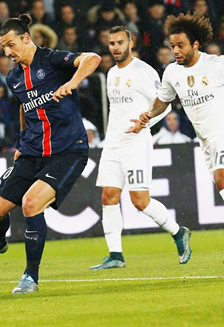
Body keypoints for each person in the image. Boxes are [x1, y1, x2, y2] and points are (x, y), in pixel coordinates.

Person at [0, 14, 101, 293]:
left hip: (68, 150)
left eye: (11, 45)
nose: (7, 52)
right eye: (3, 47)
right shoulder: (13, 78)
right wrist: (21, 144)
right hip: (32, 151)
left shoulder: (52, 60)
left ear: (26, 38)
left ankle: (30, 277)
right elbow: (26, 107)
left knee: (31, 203)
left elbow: (92, 58)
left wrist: (72, 83)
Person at [90, 26, 192, 271]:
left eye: (120, 42)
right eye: (111, 43)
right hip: (113, 143)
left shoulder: (143, 71)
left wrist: (145, 121)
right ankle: (115, 255)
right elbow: (117, 110)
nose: (115, 47)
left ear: (131, 43)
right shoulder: (112, 72)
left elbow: (164, 105)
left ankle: (179, 233)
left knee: (140, 201)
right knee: (109, 196)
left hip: (136, 143)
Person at [132, 13, 224, 202]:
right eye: (172, 46)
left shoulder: (216, 65)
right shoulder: (172, 72)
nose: (175, 51)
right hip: (205, 140)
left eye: (180, 46)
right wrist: (149, 114)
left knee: (221, 178)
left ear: (195, 44)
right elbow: (163, 99)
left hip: (221, 133)